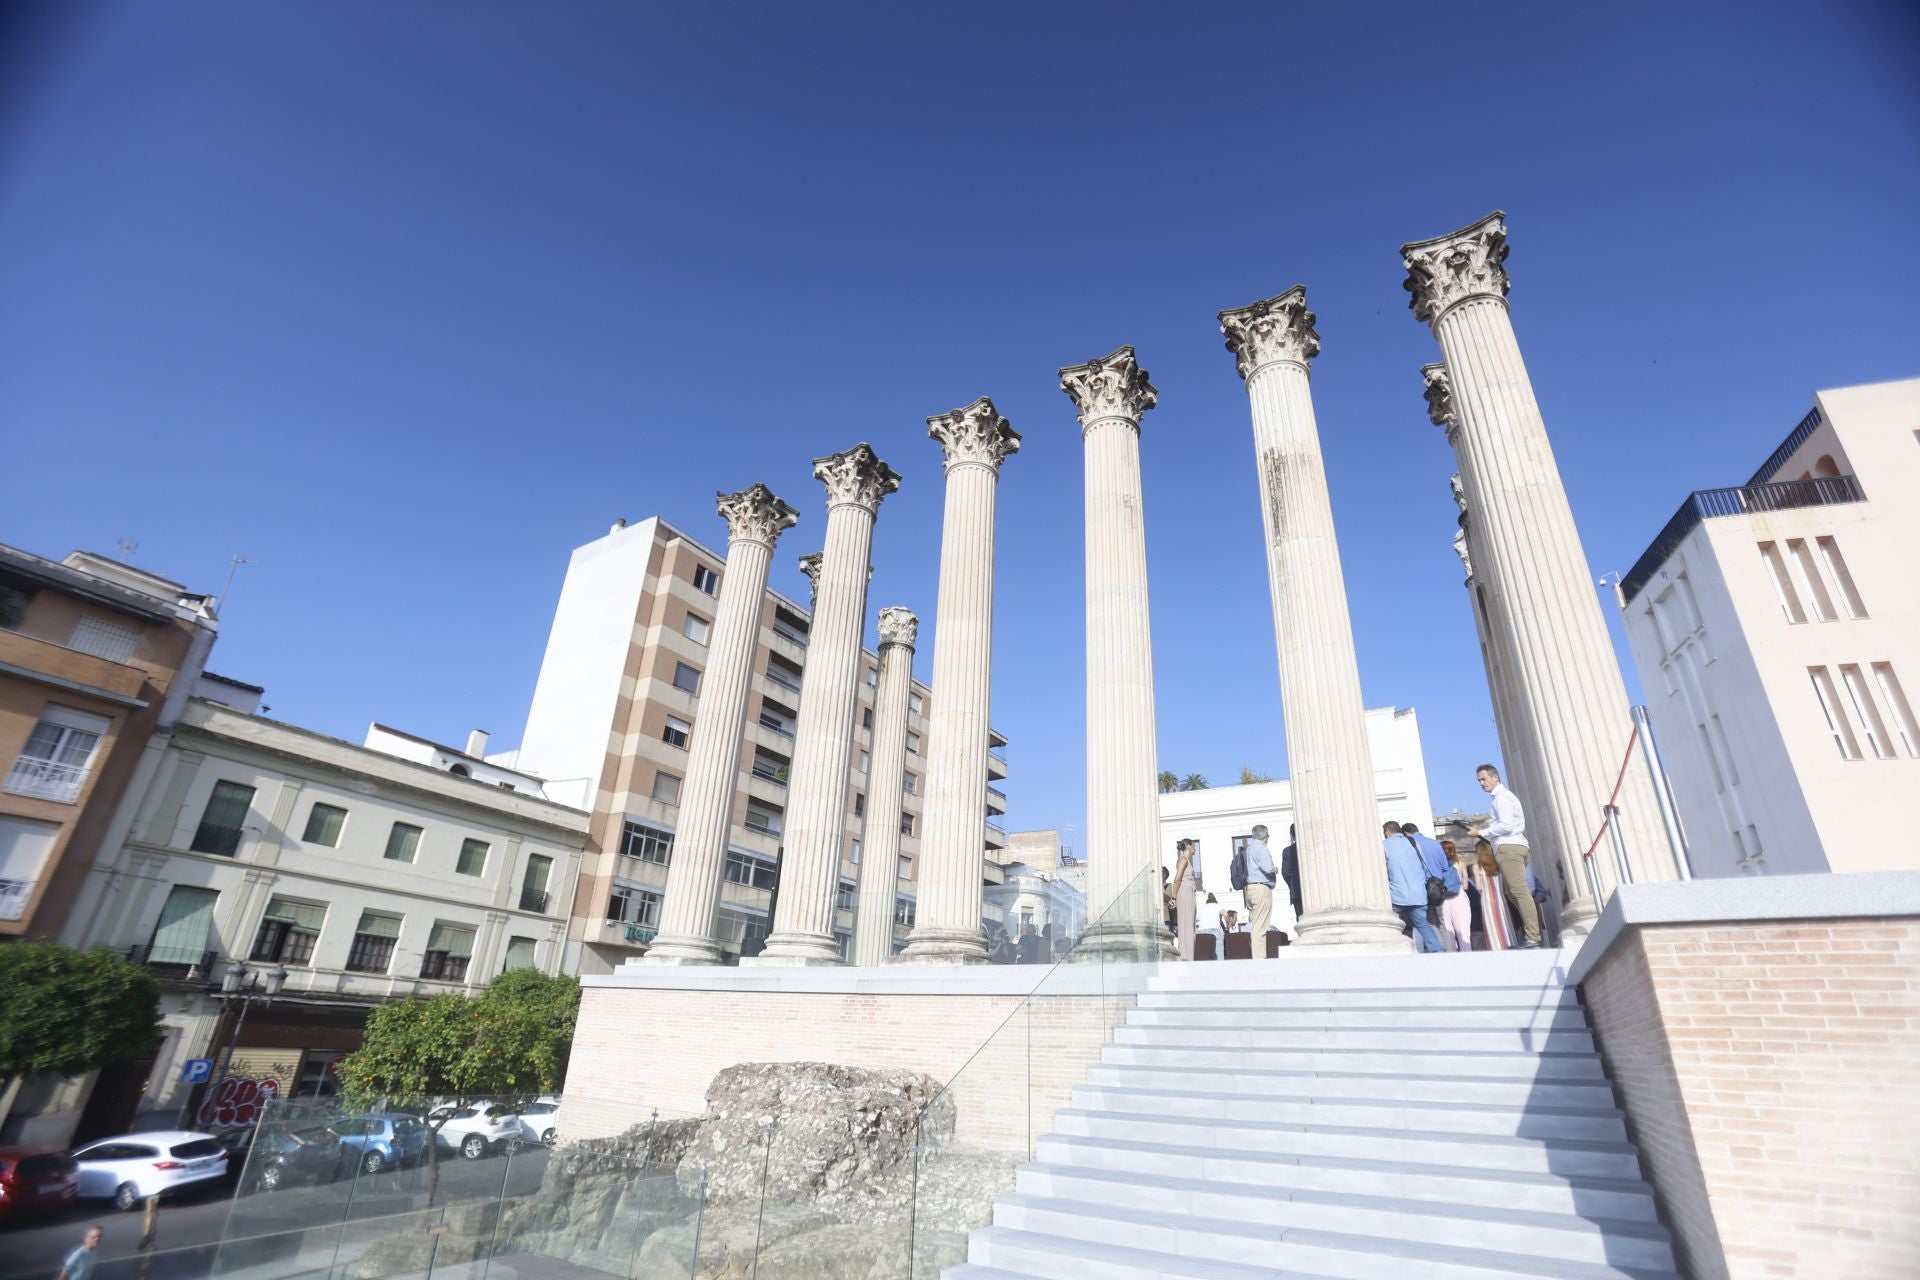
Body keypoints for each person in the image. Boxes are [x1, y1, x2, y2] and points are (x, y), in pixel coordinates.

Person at [1471, 764, 1543, 949]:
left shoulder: (1500, 798)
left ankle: (1533, 936)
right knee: (1513, 892)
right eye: (1479, 780)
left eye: (1484, 779)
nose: (1481, 783)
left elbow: (1506, 825)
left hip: (1509, 846)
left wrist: (1481, 832)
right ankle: (1531, 933)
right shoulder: (1503, 797)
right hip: (1512, 846)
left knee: (1518, 891)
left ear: (1495, 777)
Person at [1383, 820, 1444, 953]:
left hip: (1397, 895)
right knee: (1422, 924)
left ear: (1387, 831)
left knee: (1396, 927)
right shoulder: (1413, 842)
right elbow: (1423, 865)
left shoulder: (1384, 845)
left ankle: (1404, 953)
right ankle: (1438, 951)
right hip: (1418, 894)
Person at [1470, 838, 1519, 950]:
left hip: (1487, 900)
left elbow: (1478, 887)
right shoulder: (1499, 865)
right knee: (1505, 923)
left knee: (1492, 925)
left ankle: (1495, 946)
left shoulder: (1477, 867)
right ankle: (1509, 944)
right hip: (1500, 898)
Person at [1242, 825, 1279, 956]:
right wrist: (1275, 869)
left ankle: (1257, 957)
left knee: (1256, 924)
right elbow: (1267, 868)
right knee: (1261, 927)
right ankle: (1259, 960)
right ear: (1265, 836)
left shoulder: (1249, 848)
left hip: (1250, 889)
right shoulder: (1261, 848)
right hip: (1261, 888)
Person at [1438, 840, 1473, 953]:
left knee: (1448, 935)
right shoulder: (1461, 864)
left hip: (1443, 900)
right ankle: (1467, 958)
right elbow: (1466, 886)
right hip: (1459, 898)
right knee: (1463, 933)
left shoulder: (1437, 865)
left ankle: (1452, 960)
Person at [1280, 823, 1302, 923]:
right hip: (1316, 892)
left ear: (1292, 835)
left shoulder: (1287, 851)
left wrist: (1292, 883)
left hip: (1296, 892)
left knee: (1301, 920)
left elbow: (1285, 872)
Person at [1195, 892, 1223, 957]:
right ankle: (1221, 966)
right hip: (1214, 930)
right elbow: (1225, 914)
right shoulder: (1217, 906)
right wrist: (1228, 925)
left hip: (1201, 932)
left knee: (1204, 955)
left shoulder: (1202, 908)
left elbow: (1196, 919)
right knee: (1218, 954)